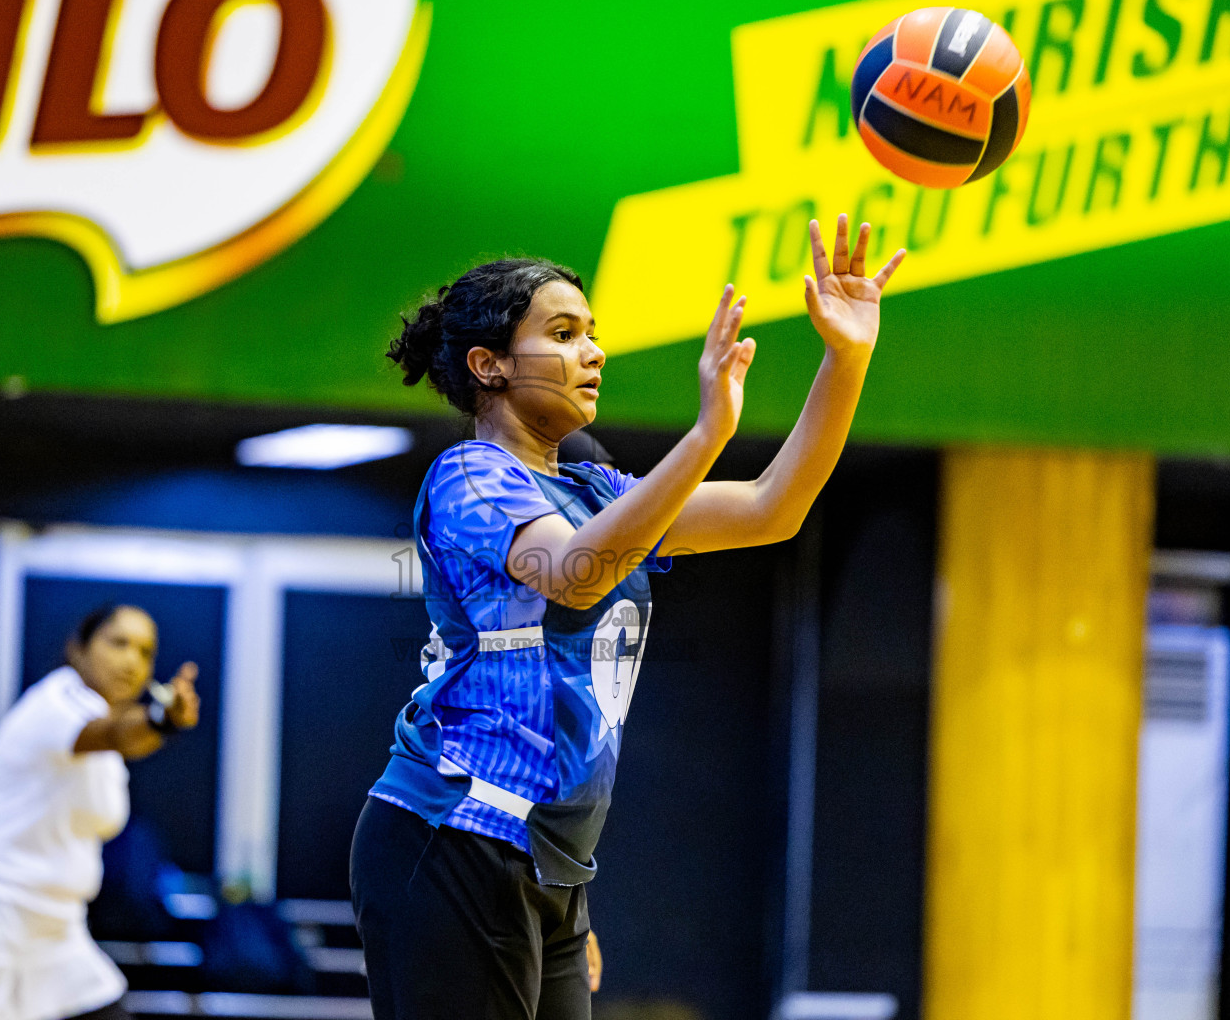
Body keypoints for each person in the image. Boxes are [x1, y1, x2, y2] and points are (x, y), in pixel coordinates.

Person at [350, 215, 904, 1019]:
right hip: (448, 837)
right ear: (489, 365)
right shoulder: (469, 474)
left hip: (549, 859)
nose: (593, 353)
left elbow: (772, 507)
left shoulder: (599, 491)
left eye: (592, 334)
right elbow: (574, 575)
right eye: (564, 333)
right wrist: (709, 432)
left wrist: (846, 360)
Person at [0, 604, 201, 1020]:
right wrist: (164, 719)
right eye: (118, 643)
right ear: (78, 650)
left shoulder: (105, 740)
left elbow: (124, 738)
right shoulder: (57, 705)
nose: (131, 661)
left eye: (144, 652)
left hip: (53, 929)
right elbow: (119, 735)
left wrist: (156, 725)